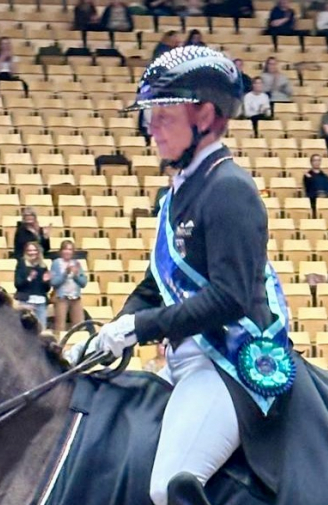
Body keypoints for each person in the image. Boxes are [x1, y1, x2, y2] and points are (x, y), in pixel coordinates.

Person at [72, 46, 296, 505]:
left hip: (227, 366)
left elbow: (231, 298)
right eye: (150, 116)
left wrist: (141, 328)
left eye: (164, 116)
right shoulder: (178, 192)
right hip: (186, 363)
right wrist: (111, 333)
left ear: (206, 116)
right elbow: (156, 285)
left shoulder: (229, 189)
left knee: (167, 484)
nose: (150, 127)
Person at [50, 240, 88, 333]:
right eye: (65, 249)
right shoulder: (56, 263)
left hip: (75, 298)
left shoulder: (77, 264)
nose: (67, 252)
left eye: (70, 250)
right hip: (61, 298)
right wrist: (65, 274)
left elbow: (83, 283)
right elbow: (54, 282)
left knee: (79, 326)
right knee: (60, 327)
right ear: (61, 251)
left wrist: (75, 275)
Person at [14, 241, 51, 329]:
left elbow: (46, 289)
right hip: (25, 302)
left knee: (42, 327)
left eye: (34, 250)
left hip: (40, 302)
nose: (32, 253)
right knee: (24, 329)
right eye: (29, 250)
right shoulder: (22, 265)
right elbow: (18, 284)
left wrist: (45, 281)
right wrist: (29, 278)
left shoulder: (43, 266)